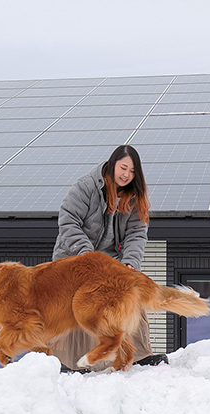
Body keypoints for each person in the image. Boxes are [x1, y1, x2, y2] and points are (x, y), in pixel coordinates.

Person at [50, 144, 169, 371]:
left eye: (132, 171)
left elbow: (136, 233)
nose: (126, 175)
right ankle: (65, 362)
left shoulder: (134, 196)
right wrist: (86, 254)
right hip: (73, 258)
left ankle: (140, 354)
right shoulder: (86, 187)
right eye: (123, 168)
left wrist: (130, 262)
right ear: (112, 164)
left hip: (108, 261)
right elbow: (68, 221)